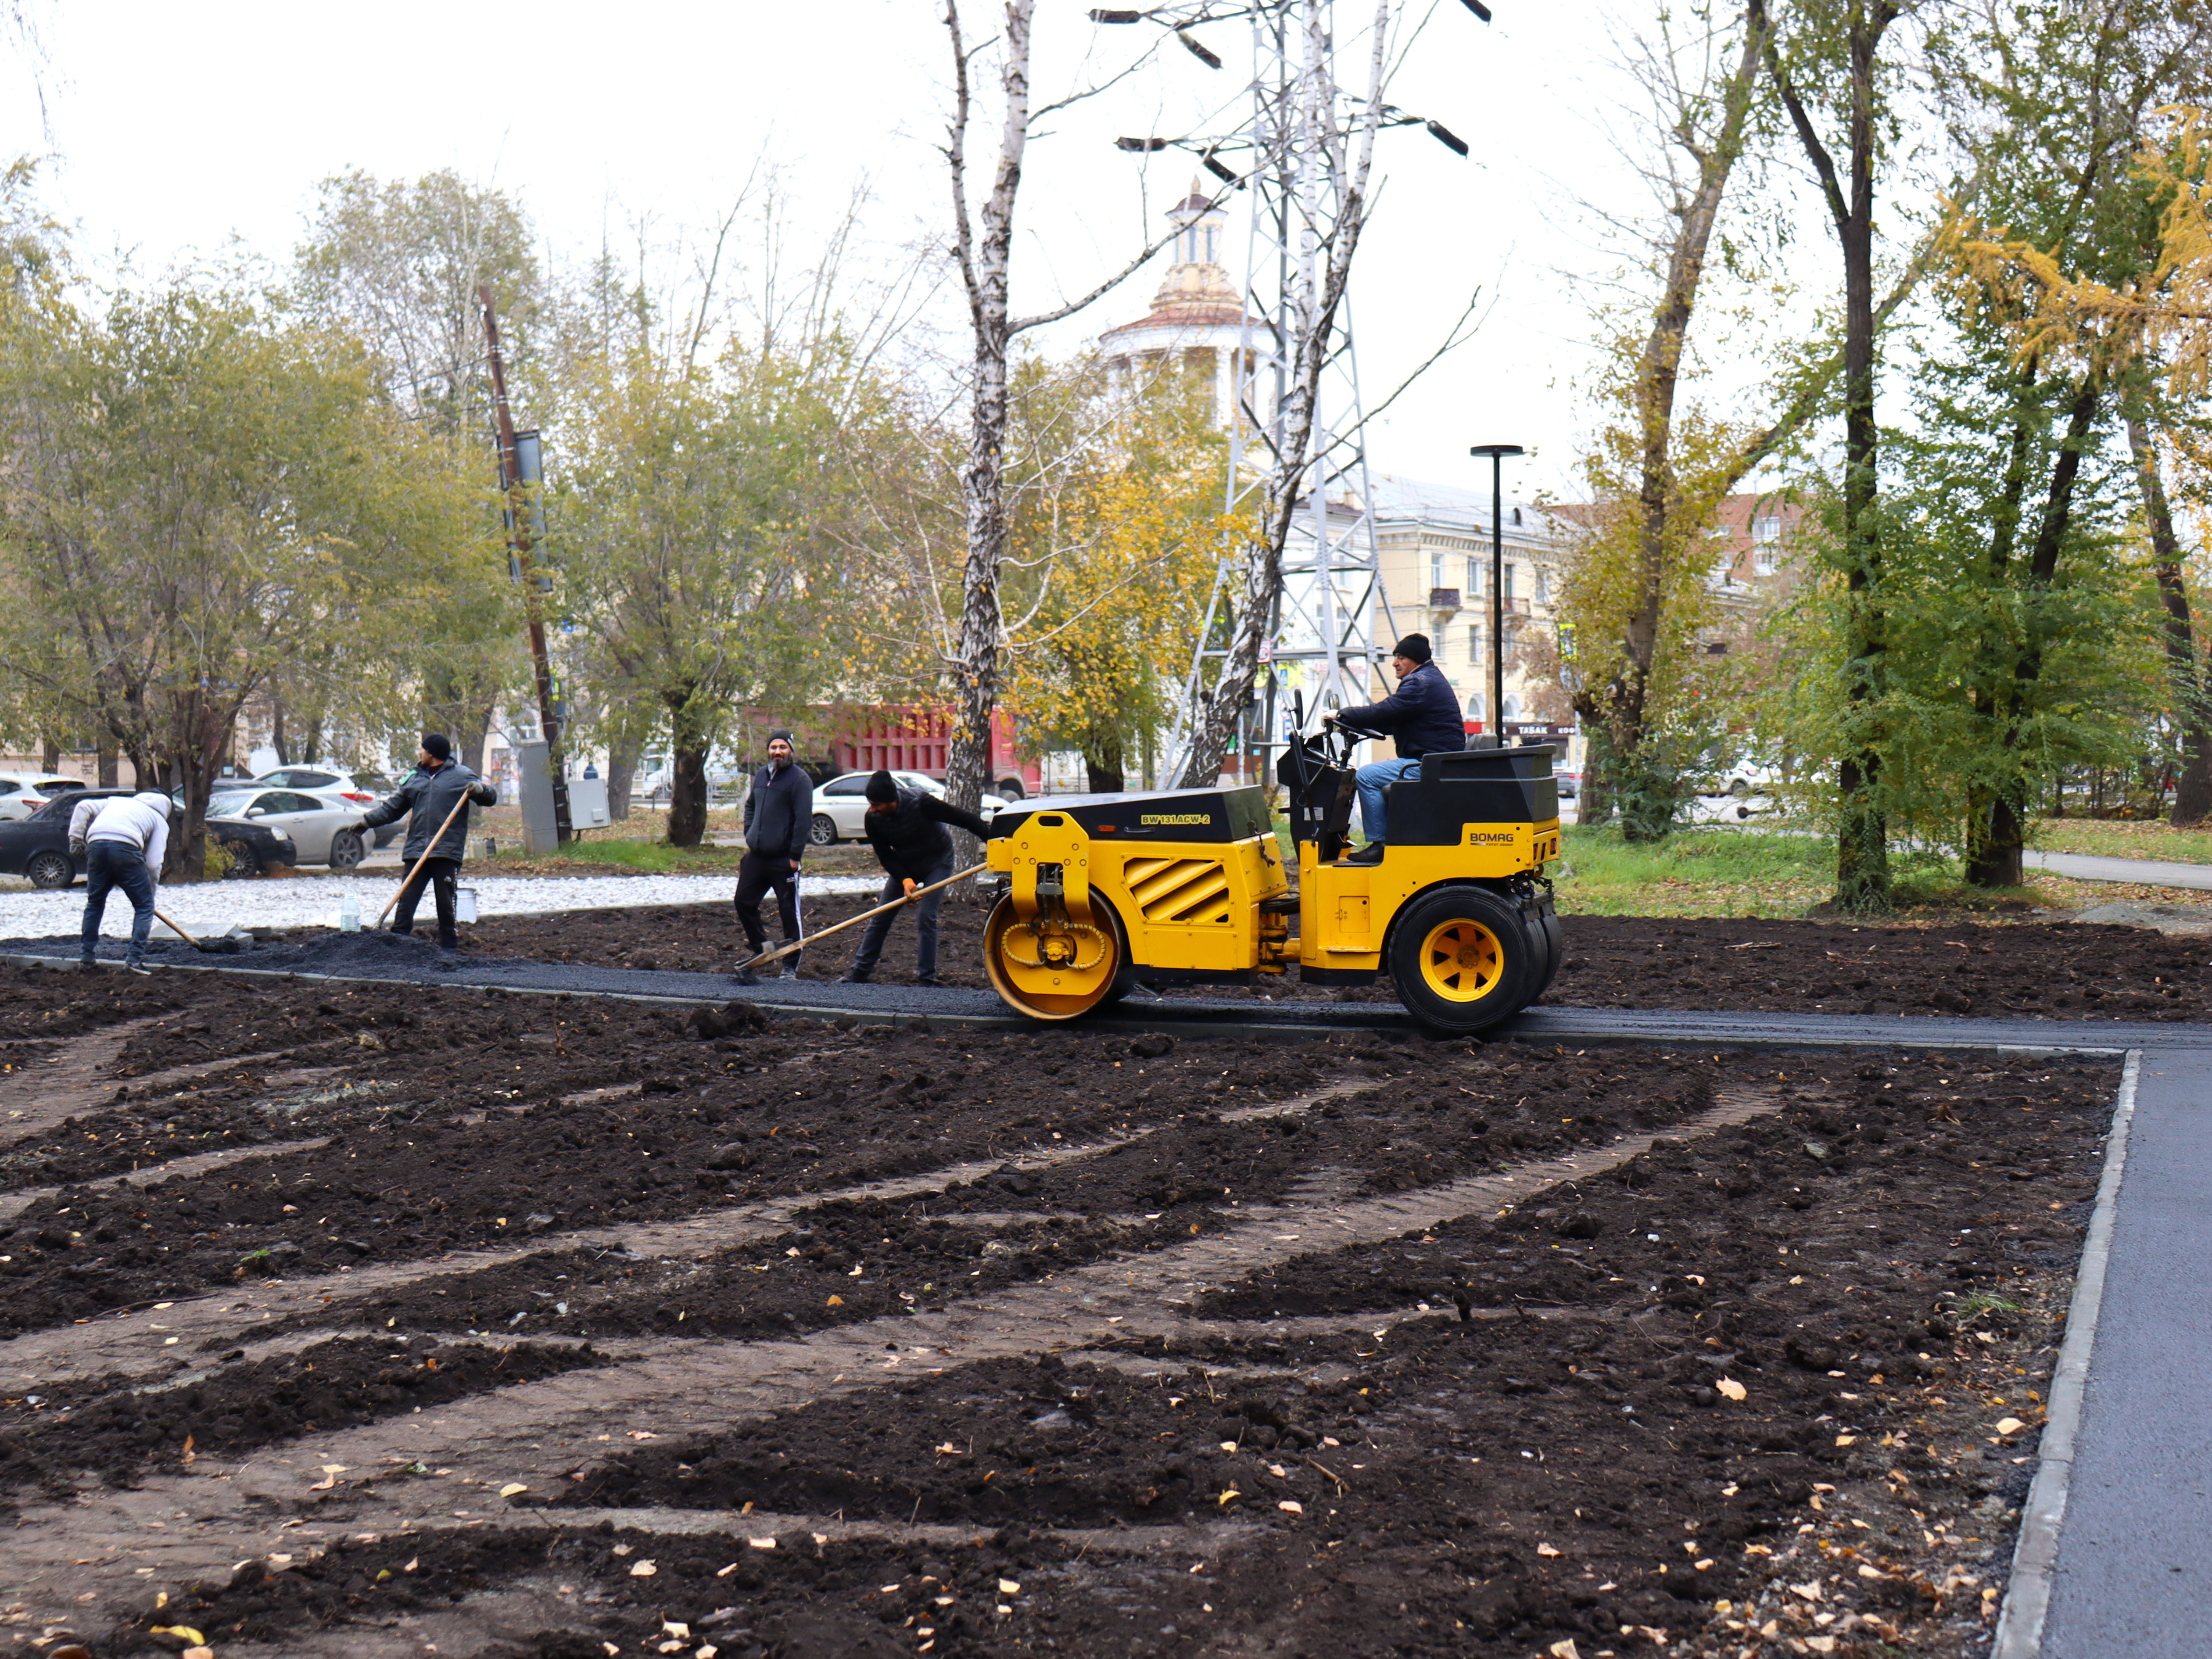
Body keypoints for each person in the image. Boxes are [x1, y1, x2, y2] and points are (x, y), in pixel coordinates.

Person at [357, 734, 497, 969]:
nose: (420, 753)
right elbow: (393, 808)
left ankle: (449, 950)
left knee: (445, 902)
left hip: (445, 850)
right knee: (406, 901)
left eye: (422, 750)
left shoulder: (461, 776)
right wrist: (366, 822)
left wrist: (480, 790)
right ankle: (397, 945)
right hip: (416, 851)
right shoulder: (414, 778)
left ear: (431, 753)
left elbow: (490, 798)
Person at [1326, 632, 1467, 864]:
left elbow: (1384, 711)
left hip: (1429, 765)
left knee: (1367, 776)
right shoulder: (1429, 680)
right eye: (1395, 657)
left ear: (1416, 659)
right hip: (1438, 762)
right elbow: (1393, 719)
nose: (1395, 663)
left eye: (1401, 657)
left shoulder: (1419, 684)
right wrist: (1353, 723)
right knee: (1373, 775)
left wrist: (1342, 715)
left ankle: (1381, 844)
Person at [840, 770, 989, 986]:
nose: (873, 809)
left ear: (892, 801)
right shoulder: (873, 819)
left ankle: (926, 979)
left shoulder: (921, 803)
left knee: (926, 916)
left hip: (937, 861)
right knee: (881, 916)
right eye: (870, 803)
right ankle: (859, 972)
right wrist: (906, 880)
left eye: (877, 804)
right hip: (905, 865)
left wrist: (993, 839)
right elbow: (885, 856)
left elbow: (963, 819)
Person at [69, 790, 175, 974]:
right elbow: (152, 863)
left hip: (96, 845)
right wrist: (149, 894)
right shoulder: (159, 820)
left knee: (95, 903)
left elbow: (83, 806)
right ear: (167, 808)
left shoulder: (116, 802)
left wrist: (76, 838)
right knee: (144, 907)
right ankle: (134, 962)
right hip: (127, 847)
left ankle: (87, 959)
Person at [735, 730, 811, 978]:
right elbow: (750, 806)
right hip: (757, 856)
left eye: (783, 747)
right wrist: (750, 832)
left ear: (791, 750)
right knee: (743, 901)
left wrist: (795, 856)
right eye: (773, 747)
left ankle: (790, 965)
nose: (777, 752)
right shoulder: (760, 776)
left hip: (783, 859)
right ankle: (762, 949)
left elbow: (803, 821)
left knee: (789, 911)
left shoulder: (800, 780)